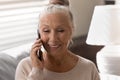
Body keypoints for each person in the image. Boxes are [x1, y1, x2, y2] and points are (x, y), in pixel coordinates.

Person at [15, 5, 100, 80]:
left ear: (71, 32)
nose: (53, 38)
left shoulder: (88, 68)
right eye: (46, 30)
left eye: (60, 30)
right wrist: (37, 71)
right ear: (39, 34)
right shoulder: (25, 67)